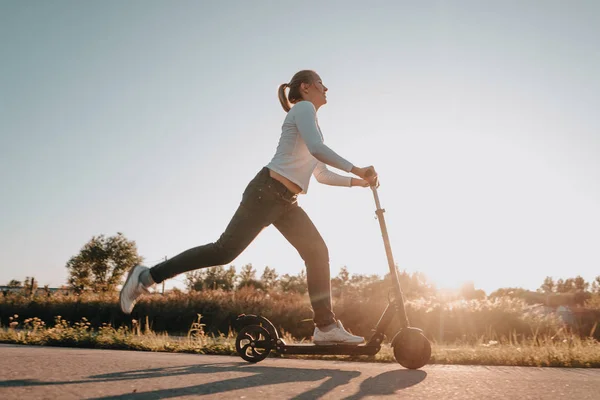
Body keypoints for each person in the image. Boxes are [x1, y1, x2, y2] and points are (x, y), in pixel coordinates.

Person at [119, 69, 379, 345]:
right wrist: (358, 168)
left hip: (286, 201)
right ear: (305, 88)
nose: (326, 89)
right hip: (266, 193)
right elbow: (317, 148)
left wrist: (358, 182)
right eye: (320, 84)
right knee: (223, 251)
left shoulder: (310, 120)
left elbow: (321, 174)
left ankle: (325, 328)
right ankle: (146, 276)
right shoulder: (303, 109)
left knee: (317, 252)